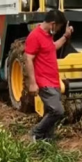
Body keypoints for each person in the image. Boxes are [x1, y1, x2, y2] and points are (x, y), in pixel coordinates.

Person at [24, 9, 73, 142]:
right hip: (44, 82)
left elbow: (52, 47)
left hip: (53, 81)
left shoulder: (47, 35)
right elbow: (28, 59)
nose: (57, 30)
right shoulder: (35, 36)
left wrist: (65, 36)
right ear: (52, 24)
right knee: (57, 111)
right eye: (58, 27)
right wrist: (33, 83)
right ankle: (36, 132)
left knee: (49, 112)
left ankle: (46, 141)